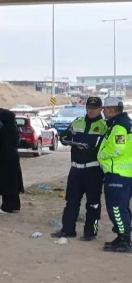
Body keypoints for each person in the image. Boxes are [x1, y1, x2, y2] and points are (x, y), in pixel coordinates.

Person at [51, 97, 107, 240]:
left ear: (101, 109)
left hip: (93, 170)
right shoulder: (78, 122)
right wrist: (75, 142)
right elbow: (64, 137)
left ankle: (90, 232)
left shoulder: (104, 126)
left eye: (94, 108)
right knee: (71, 201)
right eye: (89, 108)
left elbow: (103, 147)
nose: (91, 111)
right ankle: (67, 229)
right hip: (75, 170)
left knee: (93, 203)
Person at [97, 98, 132, 253]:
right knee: (122, 208)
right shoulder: (124, 123)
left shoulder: (119, 127)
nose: (103, 111)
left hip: (118, 174)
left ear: (111, 110)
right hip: (123, 173)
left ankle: (124, 240)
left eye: (105, 109)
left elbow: (117, 149)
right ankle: (122, 236)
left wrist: (101, 154)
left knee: (116, 208)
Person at [0, 108, 24, 213]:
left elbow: (1, 143)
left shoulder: (6, 129)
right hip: (12, 158)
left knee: (7, 182)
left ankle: (7, 207)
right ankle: (15, 205)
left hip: (6, 159)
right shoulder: (13, 127)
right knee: (13, 182)